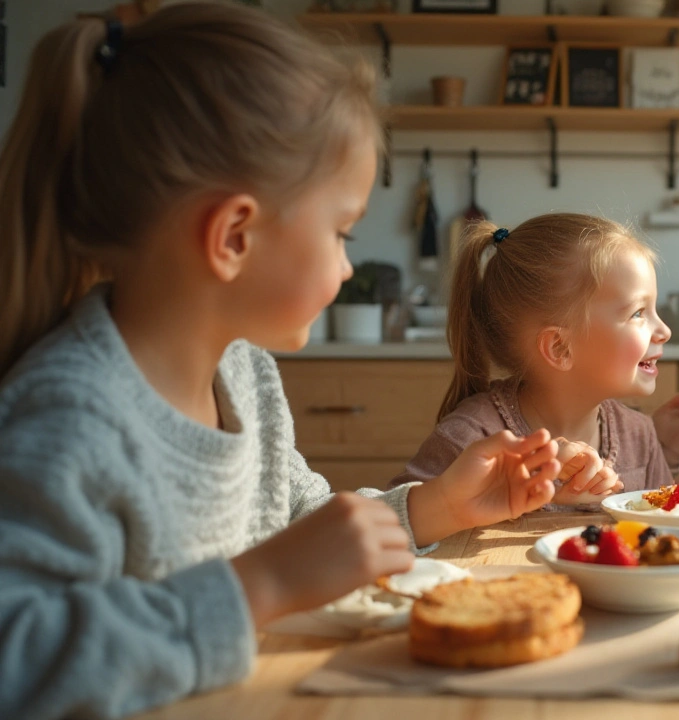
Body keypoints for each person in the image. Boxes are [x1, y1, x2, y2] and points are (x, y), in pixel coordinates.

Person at [0, 5, 563, 718]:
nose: (346, 264)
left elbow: (304, 531)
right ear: (234, 235)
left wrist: (436, 505)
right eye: (341, 231)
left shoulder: (246, 375)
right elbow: (16, 660)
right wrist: (252, 590)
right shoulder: (68, 415)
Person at [391, 214, 679, 506]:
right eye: (638, 313)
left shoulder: (640, 434)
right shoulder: (470, 439)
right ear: (560, 349)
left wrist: (670, 453)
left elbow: (666, 531)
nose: (664, 330)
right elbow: (399, 525)